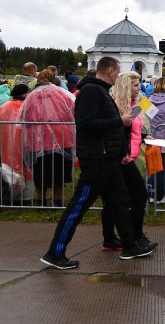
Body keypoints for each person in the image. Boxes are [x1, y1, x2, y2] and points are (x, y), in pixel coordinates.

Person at [41, 57, 156, 269]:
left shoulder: (99, 91)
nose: (117, 74)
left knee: (120, 202)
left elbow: (109, 128)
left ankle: (130, 245)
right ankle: (55, 252)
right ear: (110, 70)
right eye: (117, 70)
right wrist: (119, 122)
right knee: (78, 205)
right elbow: (86, 124)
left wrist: (120, 149)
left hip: (108, 158)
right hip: (96, 160)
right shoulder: (92, 92)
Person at [100, 71, 152, 251]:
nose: (140, 88)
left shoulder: (134, 105)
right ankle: (135, 236)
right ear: (125, 86)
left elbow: (135, 130)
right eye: (136, 85)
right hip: (123, 157)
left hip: (128, 154)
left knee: (116, 199)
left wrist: (146, 136)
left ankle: (111, 238)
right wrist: (124, 152)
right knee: (138, 195)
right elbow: (119, 132)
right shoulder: (117, 106)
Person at [19, 69, 76, 206]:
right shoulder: (62, 94)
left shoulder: (31, 96)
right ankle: (58, 201)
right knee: (59, 173)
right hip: (62, 138)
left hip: (37, 140)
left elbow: (23, 117)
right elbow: (74, 110)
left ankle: (41, 200)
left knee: (40, 173)